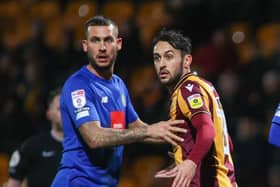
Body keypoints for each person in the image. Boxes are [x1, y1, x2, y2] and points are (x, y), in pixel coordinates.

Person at [51, 15, 186, 187]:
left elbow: (136, 127)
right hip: (76, 182)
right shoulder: (78, 85)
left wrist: (179, 135)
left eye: (108, 40)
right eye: (95, 40)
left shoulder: (118, 85)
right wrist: (148, 131)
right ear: (85, 46)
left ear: (119, 44)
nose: (102, 47)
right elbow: (94, 137)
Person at [152, 29, 238, 187]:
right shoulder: (206, 86)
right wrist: (186, 152)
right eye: (157, 58)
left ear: (187, 61)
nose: (162, 64)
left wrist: (190, 162)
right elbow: (228, 142)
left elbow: (207, 130)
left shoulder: (187, 89)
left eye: (169, 56)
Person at [6, 88, 63, 187]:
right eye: (59, 109)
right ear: (49, 114)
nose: (65, 113)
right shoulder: (32, 146)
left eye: (68, 108)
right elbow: (13, 183)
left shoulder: (84, 145)